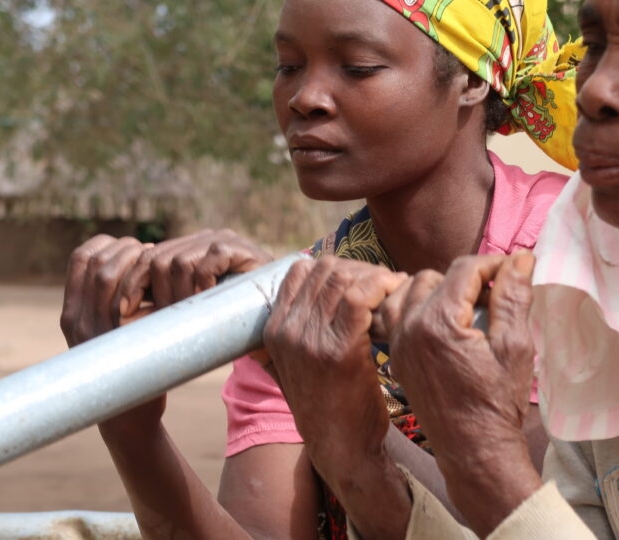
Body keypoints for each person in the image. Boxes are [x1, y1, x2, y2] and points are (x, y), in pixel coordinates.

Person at [59, 0, 582, 538]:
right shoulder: (295, 294)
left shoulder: (578, 253)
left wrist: (308, 375)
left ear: (471, 80)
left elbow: (533, 519)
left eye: (357, 67)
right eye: (288, 66)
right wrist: (130, 426)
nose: (304, 99)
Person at [316, 0, 619, 537]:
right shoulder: (605, 310)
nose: (594, 89)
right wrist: (358, 448)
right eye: (594, 47)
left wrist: (480, 446)